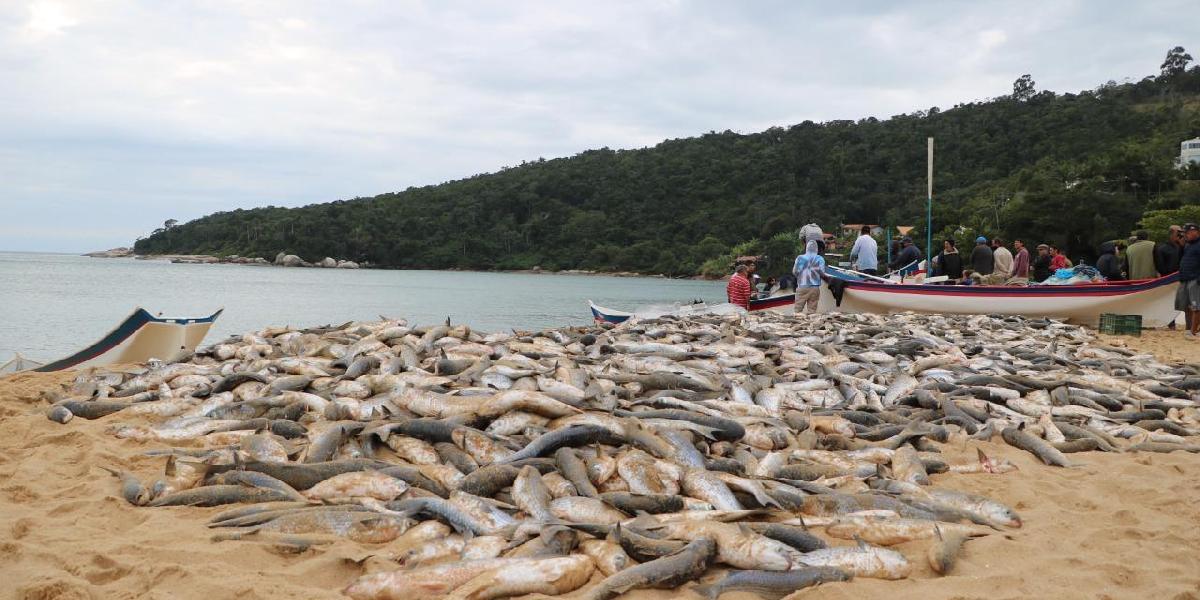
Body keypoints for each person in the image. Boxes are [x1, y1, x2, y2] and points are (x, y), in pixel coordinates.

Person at [792, 240, 828, 314]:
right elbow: (822, 273)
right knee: (812, 310)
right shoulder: (820, 259)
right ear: (816, 249)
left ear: (806, 248)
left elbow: (795, 272)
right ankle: (811, 323)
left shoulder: (800, 258)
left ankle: (797, 323)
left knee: (798, 310)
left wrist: (799, 277)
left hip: (802, 286)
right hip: (815, 288)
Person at [1177, 223, 1200, 335]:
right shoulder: (1187, 245)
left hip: (1195, 278)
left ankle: (1193, 331)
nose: (1185, 235)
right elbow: (1183, 259)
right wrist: (1181, 247)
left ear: (1195, 231)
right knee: (1186, 306)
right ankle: (1189, 328)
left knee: (1196, 306)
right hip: (1185, 278)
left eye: (1187, 232)